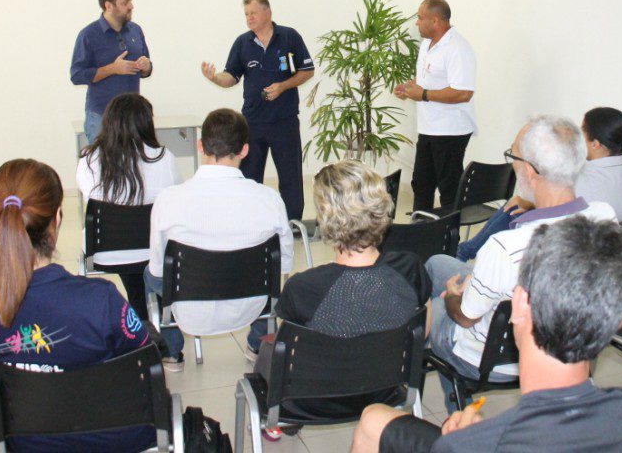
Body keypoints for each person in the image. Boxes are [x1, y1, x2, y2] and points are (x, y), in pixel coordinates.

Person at [351, 214, 622, 453]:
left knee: (373, 418)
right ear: (618, 321)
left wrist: (463, 441)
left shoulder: (469, 445)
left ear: (520, 304)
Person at [0, 159, 154, 453]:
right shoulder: (100, 300)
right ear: (56, 219)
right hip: (111, 440)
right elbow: (145, 368)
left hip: (24, 440)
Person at [426, 115, 617, 411]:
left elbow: (464, 317)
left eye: (513, 157)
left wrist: (452, 296)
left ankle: (456, 407)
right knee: (437, 263)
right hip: (565, 343)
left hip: (490, 358)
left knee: (430, 309)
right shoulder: (605, 217)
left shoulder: (505, 247)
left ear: (529, 170)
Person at [256, 159, 431, 439]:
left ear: (326, 219)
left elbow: (291, 356)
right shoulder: (410, 268)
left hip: (312, 401)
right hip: (387, 389)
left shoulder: (302, 287)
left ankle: (279, 422)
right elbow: (423, 331)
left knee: (268, 350)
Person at [144, 108, 293, 372]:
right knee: (271, 276)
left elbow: (157, 269)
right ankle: (257, 344)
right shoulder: (269, 199)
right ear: (245, 150)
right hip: (251, 304)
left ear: (200, 146)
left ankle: (172, 352)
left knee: (149, 274)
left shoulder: (168, 200)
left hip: (189, 307)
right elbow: (284, 265)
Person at [456, 106, 622, 261]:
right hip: (598, 250)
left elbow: (558, 203)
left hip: (562, 243)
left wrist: (526, 202)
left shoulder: (584, 176)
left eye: (582, 131)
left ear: (595, 143)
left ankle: (465, 251)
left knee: (515, 206)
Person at [201, 0, 314, 220]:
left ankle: (293, 223)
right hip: (252, 123)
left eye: (253, 13)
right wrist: (215, 78)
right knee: (249, 178)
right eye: (246, 14)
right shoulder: (242, 43)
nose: (249, 18)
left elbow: (307, 71)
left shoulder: (289, 37)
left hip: (285, 121)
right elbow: (231, 77)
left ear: (267, 12)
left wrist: (283, 86)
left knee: (290, 177)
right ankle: (251, 221)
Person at [77, 93, 181, 320]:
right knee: (144, 266)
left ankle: (142, 317)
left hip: (105, 250)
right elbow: (174, 201)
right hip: (153, 249)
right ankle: (150, 315)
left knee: (134, 274)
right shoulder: (164, 159)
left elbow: (89, 197)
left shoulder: (88, 160)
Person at [394, 0, 477, 212]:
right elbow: (428, 80)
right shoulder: (427, 45)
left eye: (420, 18)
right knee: (421, 184)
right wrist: (410, 87)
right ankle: (420, 229)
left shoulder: (457, 48)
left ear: (435, 21)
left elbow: (464, 92)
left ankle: (450, 233)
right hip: (428, 128)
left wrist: (423, 94)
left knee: (449, 189)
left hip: (450, 130)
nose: (416, 22)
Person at [70, 0, 152, 142]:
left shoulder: (135, 30)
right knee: (103, 160)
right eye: (125, 2)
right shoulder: (88, 35)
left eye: (130, 1)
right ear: (108, 6)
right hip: (101, 118)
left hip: (132, 118)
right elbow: (77, 75)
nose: (131, 6)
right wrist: (113, 69)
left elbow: (147, 69)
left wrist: (146, 66)